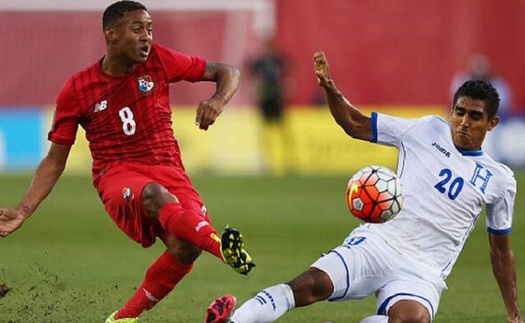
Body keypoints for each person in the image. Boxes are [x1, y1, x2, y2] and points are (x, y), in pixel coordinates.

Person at [204, 52, 523, 323]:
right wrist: (330, 88)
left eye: (475, 116)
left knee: (413, 320)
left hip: (423, 270)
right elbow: (354, 124)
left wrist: (513, 313)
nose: (464, 122)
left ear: (492, 123)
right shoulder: (425, 129)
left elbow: (500, 251)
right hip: (380, 242)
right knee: (310, 285)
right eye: (460, 112)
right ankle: (235, 320)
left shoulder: (499, 179)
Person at [0, 1, 255, 322]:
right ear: (112, 35)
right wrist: (24, 209)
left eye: (149, 29)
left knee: (185, 247)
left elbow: (227, 71)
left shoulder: (160, 60)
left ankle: (123, 318)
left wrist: (218, 100)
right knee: (155, 195)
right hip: (118, 175)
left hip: (169, 168)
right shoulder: (78, 89)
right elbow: (54, 160)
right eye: (137, 29)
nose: (147, 37)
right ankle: (223, 249)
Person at [247, 37, 295, 174]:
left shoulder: (278, 61)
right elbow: (250, 76)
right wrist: (254, 88)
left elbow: (289, 73)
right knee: (265, 132)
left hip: (277, 99)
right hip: (264, 100)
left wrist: (287, 85)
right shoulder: (259, 62)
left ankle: (288, 161)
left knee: (283, 131)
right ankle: (266, 161)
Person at [450, 53, 513, 118]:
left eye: (481, 66)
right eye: (477, 66)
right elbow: (456, 97)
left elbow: (503, 102)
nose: (479, 69)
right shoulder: (463, 80)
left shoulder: (496, 83)